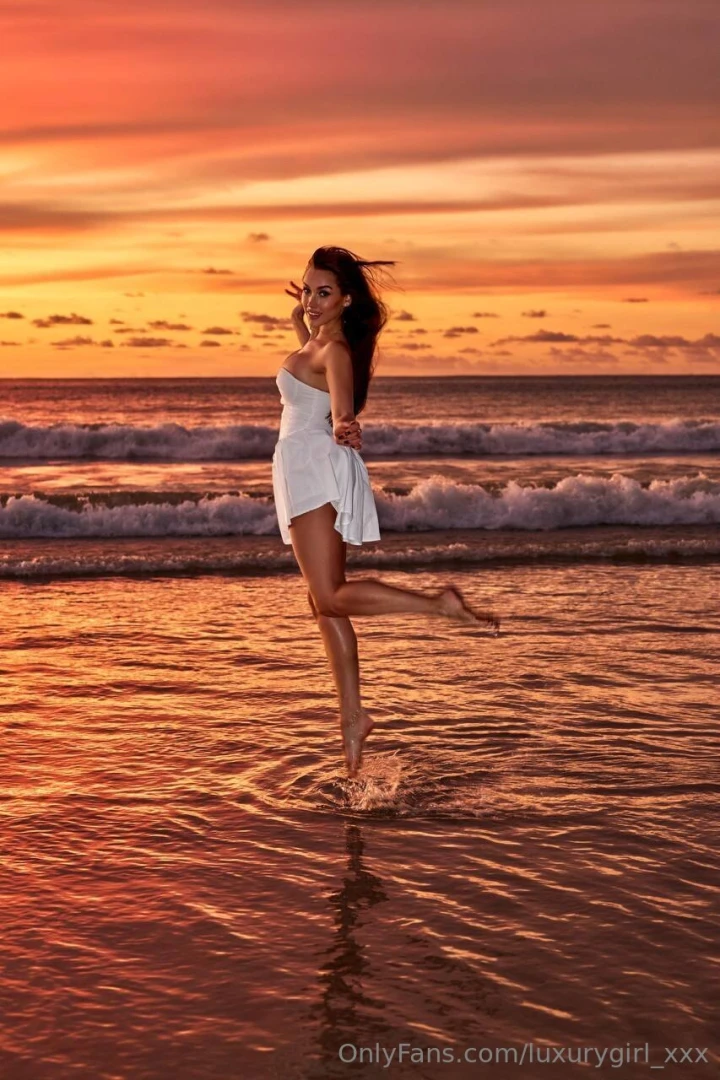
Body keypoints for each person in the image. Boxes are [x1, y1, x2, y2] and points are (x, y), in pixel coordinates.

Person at [272, 246, 500, 778]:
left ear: (346, 299)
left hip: (314, 467)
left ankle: (437, 606)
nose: (310, 300)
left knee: (328, 596)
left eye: (323, 292)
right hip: (304, 468)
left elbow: (341, 408)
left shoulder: (336, 353)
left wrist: (343, 425)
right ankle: (353, 720)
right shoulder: (318, 342)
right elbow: (307, 369)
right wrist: (299, 316)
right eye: (307, 289)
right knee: (321, 602)